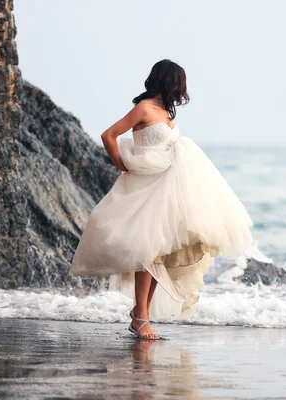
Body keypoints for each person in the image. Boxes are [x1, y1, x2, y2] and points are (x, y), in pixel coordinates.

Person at [72, 60, 253, 338]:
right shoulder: (143, 108)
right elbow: (108, 135)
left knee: (159, 253)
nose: (183, 89)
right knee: (147, 252)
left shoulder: (166, 112)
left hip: (164, 188)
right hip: (142, 186)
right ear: (169, 81)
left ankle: (139, 314)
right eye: (180, 82)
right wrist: (120, 163)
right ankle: (141, 316)